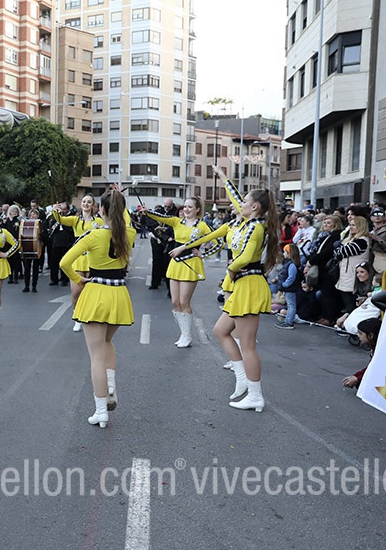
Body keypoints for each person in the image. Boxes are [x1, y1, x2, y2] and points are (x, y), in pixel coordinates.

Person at [171, 170, 281, 412]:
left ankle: (255, 395)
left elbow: (247, 256)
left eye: (244, 202)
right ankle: (242, 378)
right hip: (241, 283)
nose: (239, 204)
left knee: (248, 344)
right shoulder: (241, 223)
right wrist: (222, 176)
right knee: (221, 331)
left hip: (249, 284)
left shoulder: (256, 228)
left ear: (254, 207)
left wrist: (231, 268)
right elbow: (214, 232)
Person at [60, 190, 135, 429]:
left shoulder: (93, 235)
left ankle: (101, 411)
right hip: (118, 293)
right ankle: (110, 386)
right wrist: (118, 200)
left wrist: (78, 279)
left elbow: (64, 262)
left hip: (96, 292)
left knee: (96, 356)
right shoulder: (130, 233)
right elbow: (125, 219)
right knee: (107, 342)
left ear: (100, 210)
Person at [144, 195, 217, 348]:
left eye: (190, 207)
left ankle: (187, 335)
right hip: (176, 264)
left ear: (197, 209)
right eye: (185, 206)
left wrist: (203, 254)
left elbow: (219, 242)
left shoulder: (202, 226)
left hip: (191, 264)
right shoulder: (177, 222)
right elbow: (160, 217)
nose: (186, 209)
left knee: (184, 302)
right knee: (175, 302)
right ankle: (183, 333)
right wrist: (147, 211)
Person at [51, 195, 102, 332]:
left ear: (93, 205)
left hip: (92, 259)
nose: (86, 204)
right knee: (75, 292)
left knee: (90, 292)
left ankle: (89, 316)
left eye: (89, 202)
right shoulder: (75, 220)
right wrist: (55, 210)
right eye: (84, 201)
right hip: (78, 259)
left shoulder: (98, 221)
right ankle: (77, 317)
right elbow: (61, 220)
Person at [332, 216, 370, 316]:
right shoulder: (351, 240)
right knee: (346, 302)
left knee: (351, 305)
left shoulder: (362, 241)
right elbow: (336, 252)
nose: (351, 227)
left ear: (361, 227)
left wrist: (339, 249)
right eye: (350, 225)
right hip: (345, 275)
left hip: (353, 276)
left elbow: (340, 252)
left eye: (354, 225)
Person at [342, 317, 381, 388]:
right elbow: (371, 366)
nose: (358, 335)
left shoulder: (381, 350)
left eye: (360, 333)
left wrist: (358, 378)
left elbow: (377, 369)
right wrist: (356, 376)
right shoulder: (376, 346)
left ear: (371, 335)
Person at [273, 244, 303, 330]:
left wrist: (285, 284)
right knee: (290, 305)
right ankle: (288, 320)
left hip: (290, 288)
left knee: (291, 305)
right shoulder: (290, 263)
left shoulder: (291, 265)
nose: (283, 254)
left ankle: (289, 322)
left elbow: (291, 277)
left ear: (290, 253)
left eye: (285, 252)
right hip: (289, 288)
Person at [20, 208, 46, 293]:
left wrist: (41, 236)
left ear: (37, 215)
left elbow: (46, 236)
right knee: (27, 268)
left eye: (34, 214)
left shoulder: (41, 224)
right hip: (27, 247)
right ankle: (26, 286)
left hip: (37, 248)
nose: (32, 216)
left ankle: (34, 286)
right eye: (31, 215)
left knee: (35, 268)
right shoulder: (26, 223)